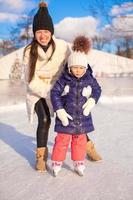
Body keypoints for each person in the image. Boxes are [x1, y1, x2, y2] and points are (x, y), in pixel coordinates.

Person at [23, 1, 101, 173]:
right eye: (38, 32)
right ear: (34, 33)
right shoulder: (30, 51)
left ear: (51, 31)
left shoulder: (62, 47)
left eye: (45, 31)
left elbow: (76, 64)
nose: (42, 35)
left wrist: (81, 83)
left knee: (75, 116)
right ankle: (41, 155)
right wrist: (49, 91)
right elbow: (30, 80)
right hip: (38, 92)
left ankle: (88, 146)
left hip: (61, 88)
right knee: (44, 120)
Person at [50, 36, 102, 176]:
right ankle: (57, 162)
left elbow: (97, 90)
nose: (78, 70)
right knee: (62, 140)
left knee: (80, 141)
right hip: (66, 117)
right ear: (69, 67)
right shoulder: (64, 79)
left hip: (82, 119)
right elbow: (54, 93)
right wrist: (59, 109)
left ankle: (79, 162)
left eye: (81, 68)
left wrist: (92, 100)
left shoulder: (89, 79)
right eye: (75, 67)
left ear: (85, 68)